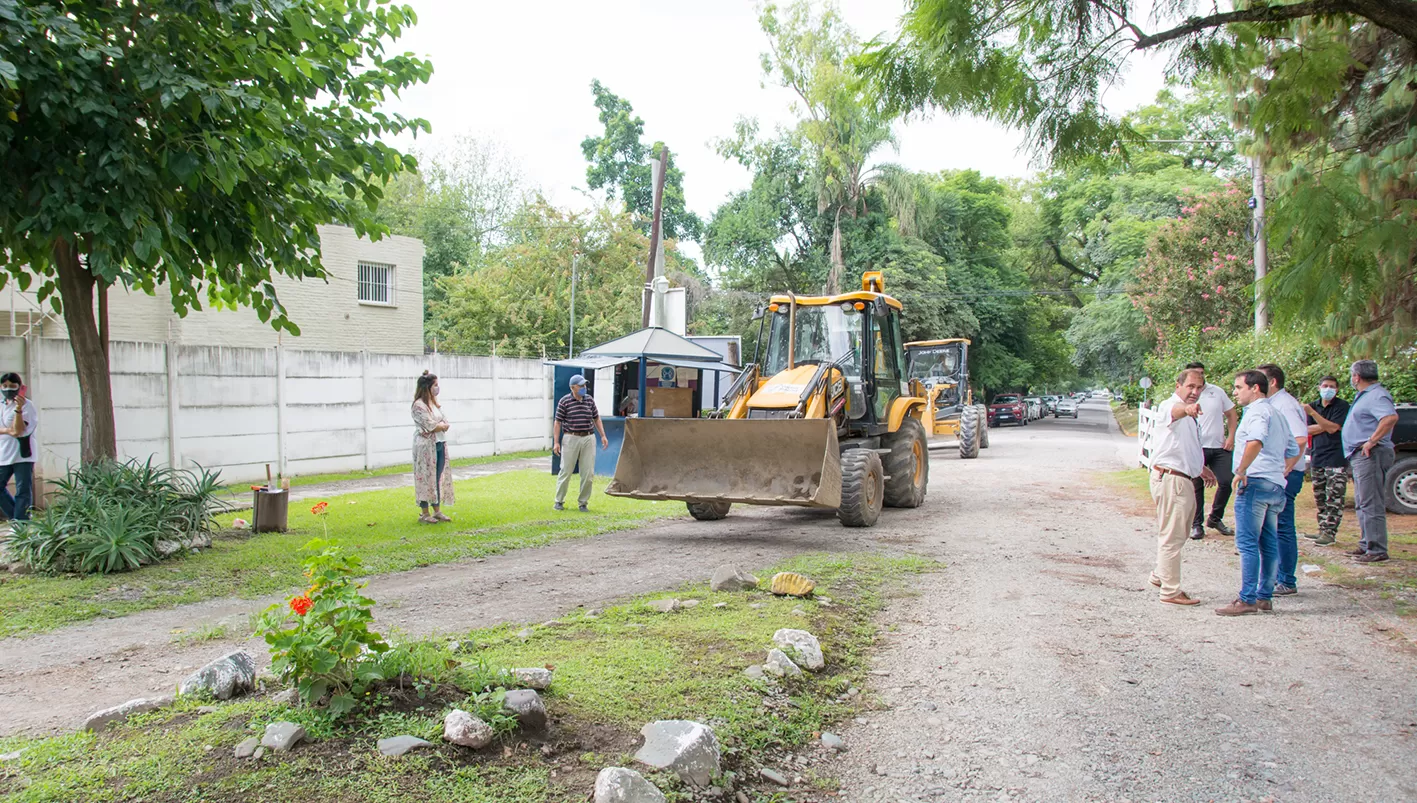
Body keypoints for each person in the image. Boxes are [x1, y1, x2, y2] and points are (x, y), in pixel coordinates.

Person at [1216, 370, 1300, 616]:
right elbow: (1294, 448)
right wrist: (1280, 471)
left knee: (1248, 542)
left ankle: (1247, 598)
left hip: (1255, 482)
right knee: (1268, 541)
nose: (1235, 392)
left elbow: (1256, 441)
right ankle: (1264, 596)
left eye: (1238, 387)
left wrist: (1241, 470)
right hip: (1274, 484)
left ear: (1255, 388)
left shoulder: (1258, 412)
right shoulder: (1277, 413)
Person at [1147, 368, 1216, 606]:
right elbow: (1175, 413)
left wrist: (1199, 467)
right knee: (1173, 535)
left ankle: (1160, 574)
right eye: (1191, 387)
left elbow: (1181, 445)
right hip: (1172, 479)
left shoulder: (1189, 415)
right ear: (1178, 386)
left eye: (1199, 388)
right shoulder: (1172, 406)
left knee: (1178, 531)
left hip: (1180, 476)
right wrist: (1186, 409)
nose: (1195, 392)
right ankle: (1170, 590)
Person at [1342, 359, 1400, 563]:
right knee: (1362, 501)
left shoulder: (1377, 395)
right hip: (1360, 456)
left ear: (1356, 376)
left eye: (1352, 375)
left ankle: (1377, 549)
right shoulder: (1365, 395)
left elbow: (1389, 418)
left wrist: (1370, 441)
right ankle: (1367, 543)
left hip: (1371, 454)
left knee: (1371, 502)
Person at [1258, 364, 1309, 596]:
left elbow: (1300, 437)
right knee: (1276, 525)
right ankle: (1280, 576)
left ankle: (1287, 579)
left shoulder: (1284, 404)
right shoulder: (1275, 404)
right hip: (1281, 473)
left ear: (1274, 382)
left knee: (1282, 526)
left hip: (1287, 475)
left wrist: (1287, 466)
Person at [1186, 362, 1239, 539]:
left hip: (1218, 445)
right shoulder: (1187, 395)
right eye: (1195, 374)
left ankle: (1215, 517)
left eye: (1202, 373)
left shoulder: (1216, 391)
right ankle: (1196, 524)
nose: (1200, 377)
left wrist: (1231, 436)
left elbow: (1232, 413)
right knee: (1196, 485)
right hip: (1197, 446)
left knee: (1227, 480)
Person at [1302, 376, 1350, 547]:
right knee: (1320, 496)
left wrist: (1317, 418)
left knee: (1334, 497)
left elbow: (1333, 428)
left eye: (1332, 386)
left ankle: (1330, 532)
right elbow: (1306, 429)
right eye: (1325, 386)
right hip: (1318, 456)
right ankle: (1322, 529)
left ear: (1337, 389)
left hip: (1336, 457)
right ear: (1319, 387)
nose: (1328, 389)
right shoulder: (1313, 405)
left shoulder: (1341, 406)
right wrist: (1326, 426)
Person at [553, 374, 608, 512]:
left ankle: (583, 503)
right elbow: (557, 422)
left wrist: (603, 435)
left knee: (588, 473)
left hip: (588, 437)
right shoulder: (564, 401)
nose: (584, 387)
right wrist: (556, 442)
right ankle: (559, 501)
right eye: (581, 385)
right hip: (571, 437)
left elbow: (596, 418)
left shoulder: (589, 400)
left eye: (585, 385)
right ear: (573, 388)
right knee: (566, 470)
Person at [410, 371, 454, 524]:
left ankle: (437, 510)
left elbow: (443, 420)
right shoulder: (418, 406)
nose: (437, 388)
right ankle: (424, 512)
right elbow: (430, 425)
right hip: (426, 447)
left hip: (439, 443)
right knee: (425, 478)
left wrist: (442, 426)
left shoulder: (434, 403)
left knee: (437, 477)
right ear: (427, 387)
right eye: (435, 385)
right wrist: (441, 426)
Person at [0, 373, 37, 521]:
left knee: (22, 490)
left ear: (20, 388)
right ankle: (18, 519)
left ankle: (21, 525)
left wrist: (18, 409)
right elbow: (10, 431)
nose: (8, 389)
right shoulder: (1, 405)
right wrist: (7, 431)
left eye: (13, 386)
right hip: (4, 453)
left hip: (23, 455)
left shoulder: (27, 405)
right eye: (5, 386)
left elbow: (18, 430)